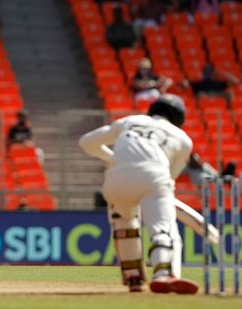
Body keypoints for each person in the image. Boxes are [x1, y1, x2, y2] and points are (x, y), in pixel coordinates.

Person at [79, 94, 198, 294]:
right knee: (163, 229)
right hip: (155, 177)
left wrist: (116, 159)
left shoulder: (130, 121)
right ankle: (163, 273)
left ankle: (133, 276)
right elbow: (170, 177)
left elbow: (86, 142)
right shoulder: (183, 139)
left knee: (125, 223)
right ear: (179, 118)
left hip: (115, 179)